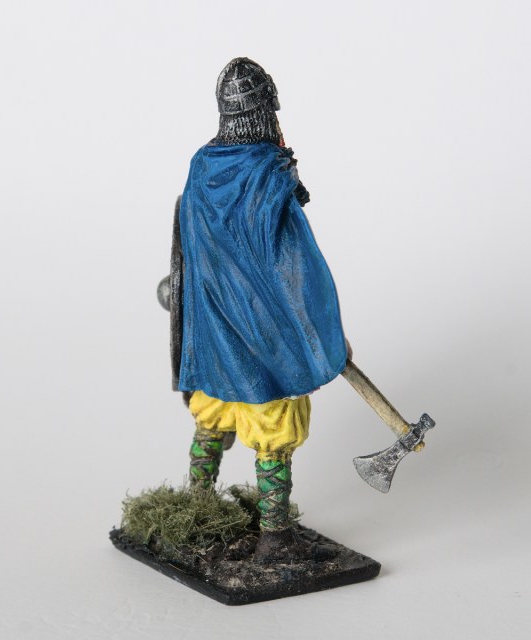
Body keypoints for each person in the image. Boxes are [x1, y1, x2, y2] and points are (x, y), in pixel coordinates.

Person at [177, 58, 351, 563]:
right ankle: (275, 536)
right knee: (273, 429)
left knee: (212, 416)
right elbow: (295, 265)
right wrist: (323, 335)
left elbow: (189, 239)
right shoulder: (270, 172)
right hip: (265, 335)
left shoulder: (201, 162)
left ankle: (197, 506)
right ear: (267, 109)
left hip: (211, 332)